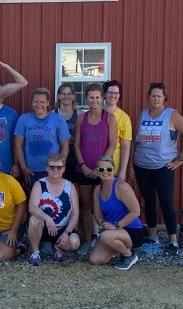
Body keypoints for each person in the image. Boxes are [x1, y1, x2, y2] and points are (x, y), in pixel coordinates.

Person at [129, 82, 183, 254]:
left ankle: (173, 239)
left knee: (166, 202)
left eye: (159, 95)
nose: (156, 98)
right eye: (153, 95)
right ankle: (153, 235)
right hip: (142, 166)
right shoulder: (142, 115)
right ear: (148, 97)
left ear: (164, 97)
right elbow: (134, 143)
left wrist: (181, 159)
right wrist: (131, 165)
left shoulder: (171, 115)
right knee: (149, 202)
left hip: (163, 166)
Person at [74, 83, 117, 249]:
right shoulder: (81, 119)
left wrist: (100, 167)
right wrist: (83, 166)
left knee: (103, 205)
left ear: (103, 98)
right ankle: (87, 240)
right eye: (91, 97)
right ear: (86, 99)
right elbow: (76, 145)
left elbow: (112, 144)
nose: (94, 100)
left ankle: (103, 239)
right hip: (83, 169)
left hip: (103, 171)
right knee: (85, 205)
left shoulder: (109, 118)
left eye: (97, 97)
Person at [90, 157, 143, 270]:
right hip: (112, 230)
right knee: (95, 260)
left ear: (114, 170)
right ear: (97, 171)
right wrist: (103, 224)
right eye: (102, 169)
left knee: (105, 236)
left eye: (109, 169)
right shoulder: (97, 190)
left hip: (131, 229)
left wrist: (116, 226)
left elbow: (136, 211)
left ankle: (129, 255)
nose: (105, 172)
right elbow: (97, 215)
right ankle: (116, 247)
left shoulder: (121, 186)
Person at [26, 154, 80, 266]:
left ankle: (56, 246)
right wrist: (47, 219)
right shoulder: (39, 184)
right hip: (44, 227)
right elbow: (32, 207)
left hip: (62, 229)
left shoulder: (70, 186)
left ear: (64, 168)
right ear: (46, 168)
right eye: (52, 167)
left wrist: (67, 232)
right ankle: (35, 252)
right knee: (34, 220)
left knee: (75, 243)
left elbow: (75, 213)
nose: (55, 170)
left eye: (59, 167)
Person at [14, 88, 70, 188]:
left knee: (52, 201)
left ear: (48, 102)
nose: (39, 104)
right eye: (36, 101)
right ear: (31, 103)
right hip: (30, 171)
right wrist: (23, 167)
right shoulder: (23, 119)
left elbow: (65, 146)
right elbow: (18, 145)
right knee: (33, 201)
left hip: (52, 170)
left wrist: (59, 167)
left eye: (42, 102)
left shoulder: (58, 120)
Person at [102, 80, 132, 179]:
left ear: (119, 95)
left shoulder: (124, 117)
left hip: (113, 165)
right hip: (94, 162)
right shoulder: (96, 112)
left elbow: (126, 147)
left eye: (116, 93)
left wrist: (122, 171)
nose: (113, 95)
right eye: (110, 92)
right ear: (105, 94)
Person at [54, 83, 80, 181]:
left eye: (69, 94)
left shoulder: (80, 115)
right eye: (64, 94)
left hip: (74, 158)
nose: (66, 96)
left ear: (73, 96)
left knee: (73, 186)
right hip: (56, 157)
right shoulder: (52, 114)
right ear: (58, 96)